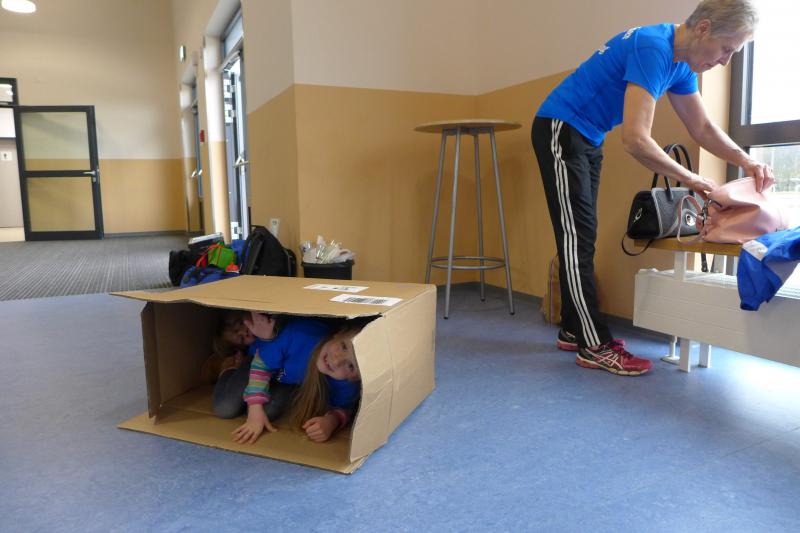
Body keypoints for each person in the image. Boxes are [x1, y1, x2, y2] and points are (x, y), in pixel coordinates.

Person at [531, 0, 774, 376]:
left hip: (588, 135)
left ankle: (574, 328)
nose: (725, 61)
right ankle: (594, 345)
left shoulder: (681, 63)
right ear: (704, 28)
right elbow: (635, 139)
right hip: (561, 128)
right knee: (576, 237)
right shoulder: (654, 47)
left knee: (582, 235)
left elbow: (702, 128)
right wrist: (691, 179)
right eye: (727, 49)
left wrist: (747, 161)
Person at [215, 313, 362, 444]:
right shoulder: (299, 335)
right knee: (226, 408)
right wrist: (255, 407)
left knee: (267, 413)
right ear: (339, 333)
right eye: (343, 346)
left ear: (355, 377)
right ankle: (229, 367)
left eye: (350, 366)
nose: (336, 361)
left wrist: (331, 421)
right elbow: (262, 365)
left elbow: (344, 407)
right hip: (261, 358)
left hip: (286, 378)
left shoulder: (346, 383)